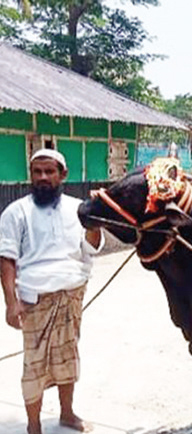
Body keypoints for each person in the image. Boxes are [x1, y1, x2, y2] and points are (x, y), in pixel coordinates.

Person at [0, 149, 102, 434]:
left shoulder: (79, 208)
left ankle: (67, 414)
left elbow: (91, 247)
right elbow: (6, 259)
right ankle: (34, 426)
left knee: (68, 358)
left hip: (72, 295)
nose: (43, 177)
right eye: (37, 172)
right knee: (34, 365)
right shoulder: (16, 211)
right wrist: (10, 303)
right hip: (35, 300)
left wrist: (95, 219)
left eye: (49, 172)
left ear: (63, 175)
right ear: (30, 174)